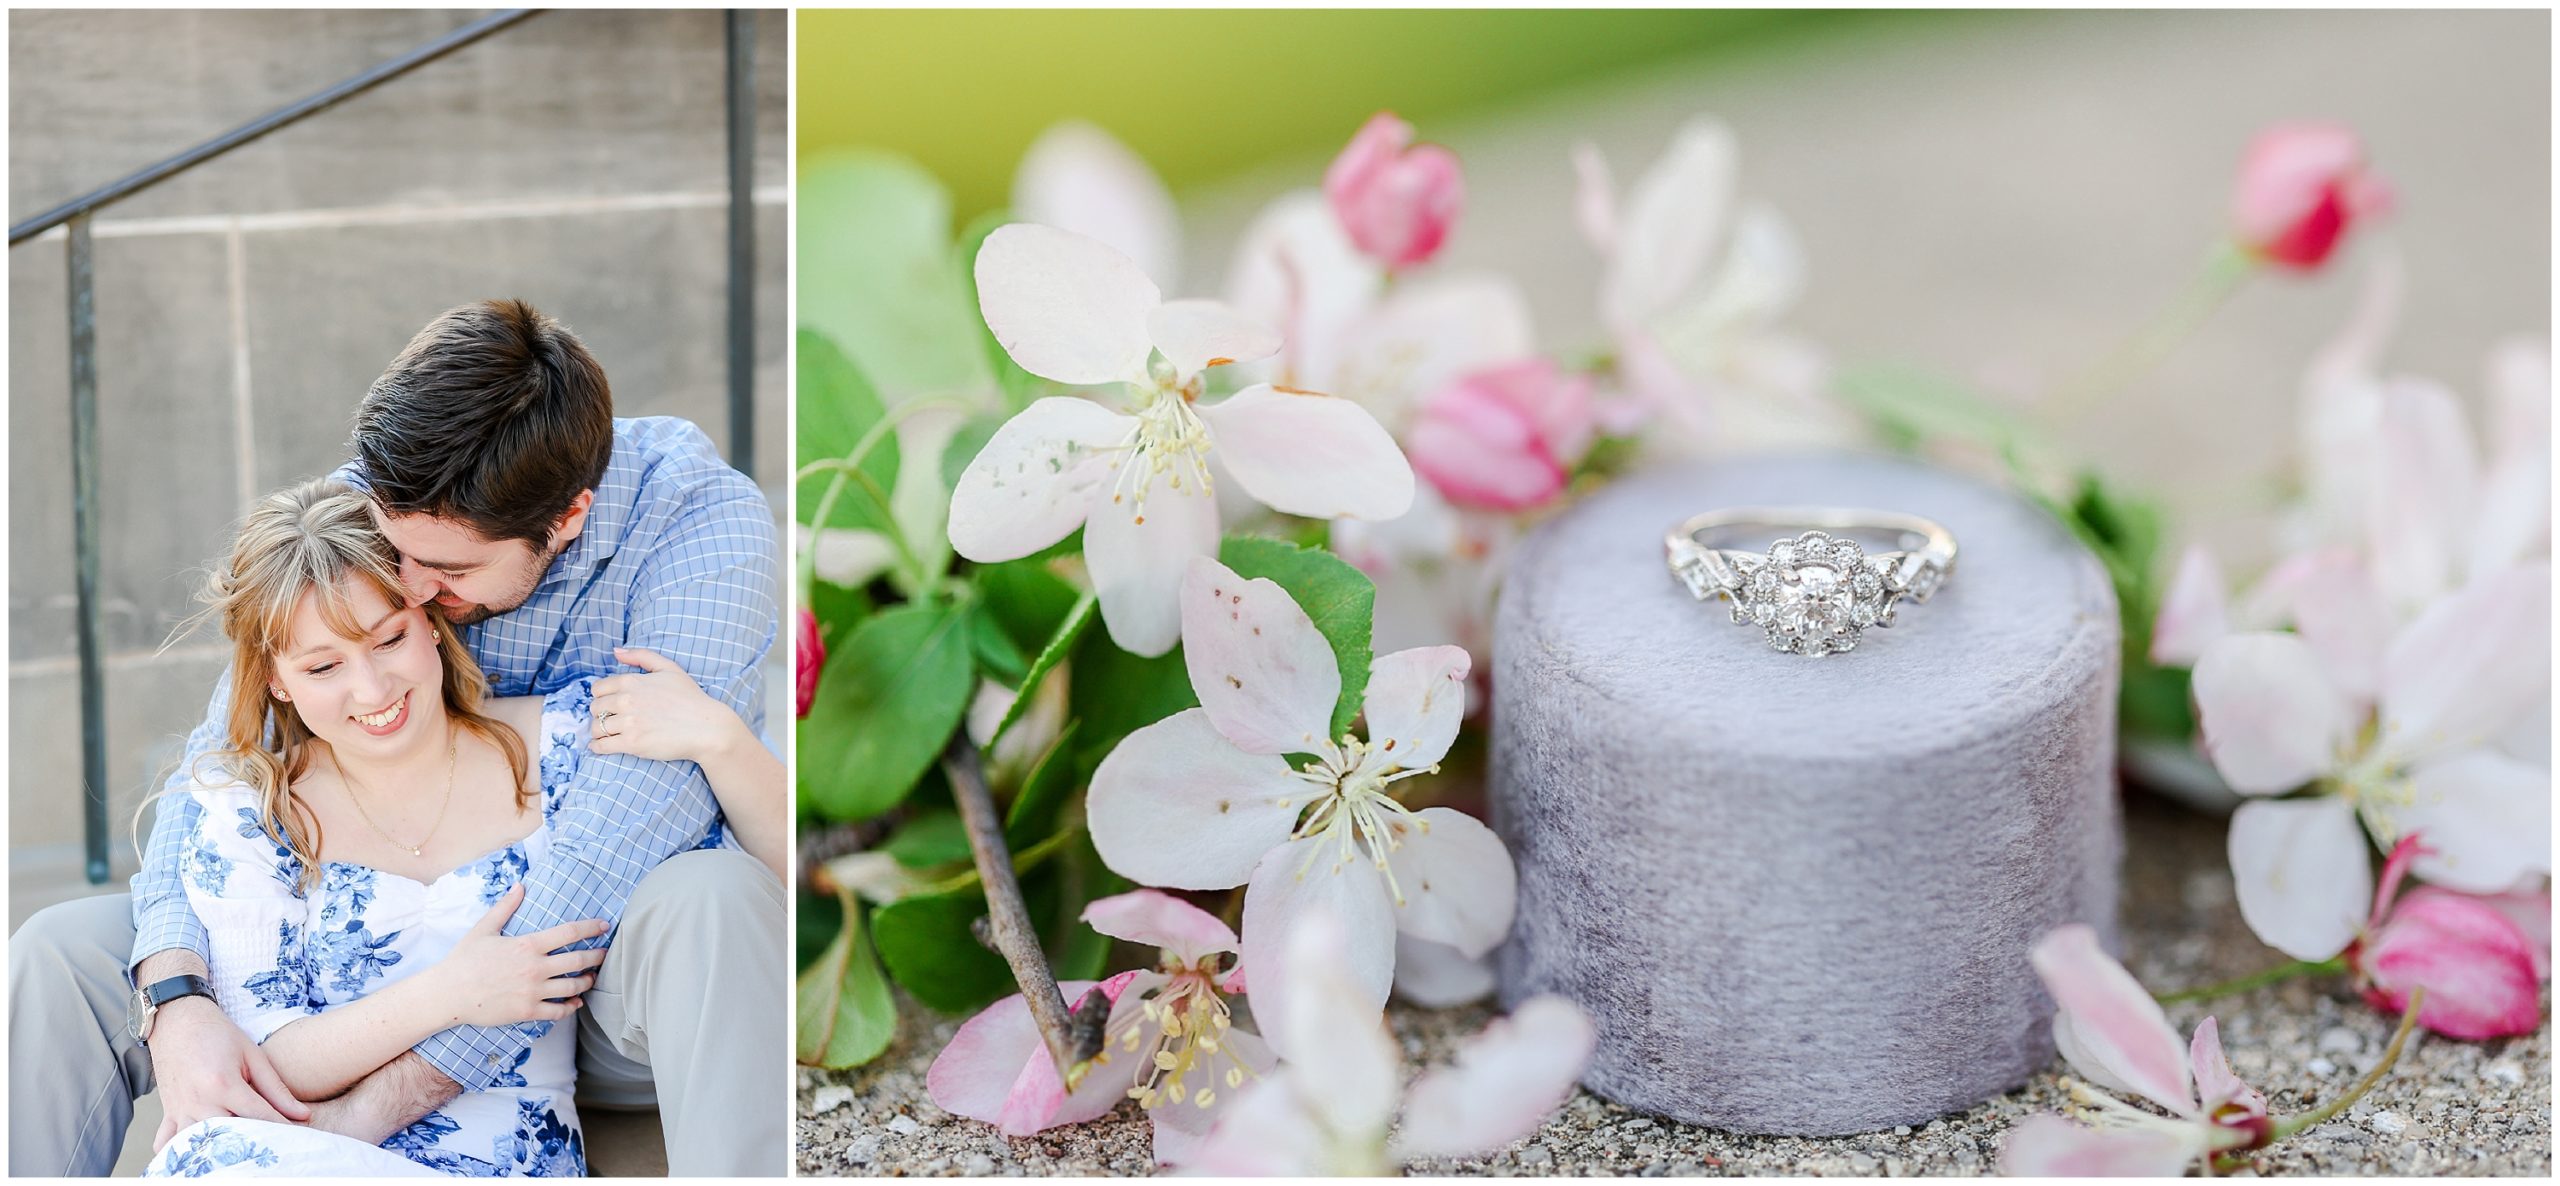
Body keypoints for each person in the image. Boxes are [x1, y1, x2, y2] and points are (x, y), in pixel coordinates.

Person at [7, 300, 785, 1176]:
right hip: (349, 933)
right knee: (64, 954)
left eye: (447, 573)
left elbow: (622, 833)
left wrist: (386, 1097)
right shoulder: (384, 498)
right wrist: (177, 999)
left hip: (588, 973)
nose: (406, 591)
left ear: (566, 520)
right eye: (393, 551)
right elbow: (224, 757)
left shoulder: (699, 530)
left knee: (713, 897)